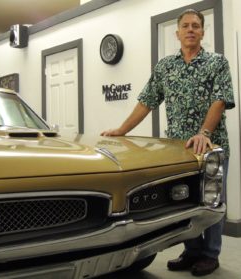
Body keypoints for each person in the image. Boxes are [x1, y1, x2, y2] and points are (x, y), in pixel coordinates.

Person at [101, 9, 235, 277]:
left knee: (211, 201)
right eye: (185, 26)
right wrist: (122, 130)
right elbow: (146, 101)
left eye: (196, 26)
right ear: (177, 33)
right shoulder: (165, 66)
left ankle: (210, 255)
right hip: (179, 151)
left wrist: (204, 133)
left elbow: (219, 100)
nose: (190, 29)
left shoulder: (217, 63)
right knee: (183, 200)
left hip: (211, 147)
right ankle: (192, 250)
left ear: (202, 32)